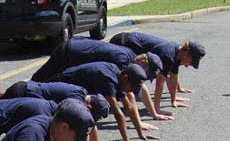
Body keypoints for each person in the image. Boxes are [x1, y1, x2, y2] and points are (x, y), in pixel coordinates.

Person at [31, 37, 168, 122]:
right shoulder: (124, 63)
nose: (142, 80)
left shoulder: (131, 58)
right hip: (70, 53)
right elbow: (129, 95)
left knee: (48, 83)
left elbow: (139, 89)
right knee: (41, 82)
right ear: (143, 64)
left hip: (76, 52)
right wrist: (138, 120)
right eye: (146, 74)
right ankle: (23, 97)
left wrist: (153, 113)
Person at [0, 82, 117, 141]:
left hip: (30, 96)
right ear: (89, 107)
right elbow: (56, 136)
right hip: (21, 92)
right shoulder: (76, 103)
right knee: (18, 137)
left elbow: (89, 128)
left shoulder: (80, 101)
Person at [45, 62, 154, 141]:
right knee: (78, 120)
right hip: (59, 83)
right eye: (131, 87)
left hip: (72, 89)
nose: (130, 91)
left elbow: (129, 107)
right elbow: (118, 114)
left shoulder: (118, 75)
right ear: (125, 78)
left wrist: (140, 133)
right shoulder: (109, 80)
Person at [109, 32, 206, 112]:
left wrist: (174, 99)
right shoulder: (168, 55)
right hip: (123, 42)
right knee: (124, 79)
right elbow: (160, 84)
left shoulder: (177, 54)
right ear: (186, 53)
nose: (188, 65)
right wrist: (156, 110)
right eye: (191, 62)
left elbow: (173, 78)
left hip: (131, 45)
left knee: (134, 87)